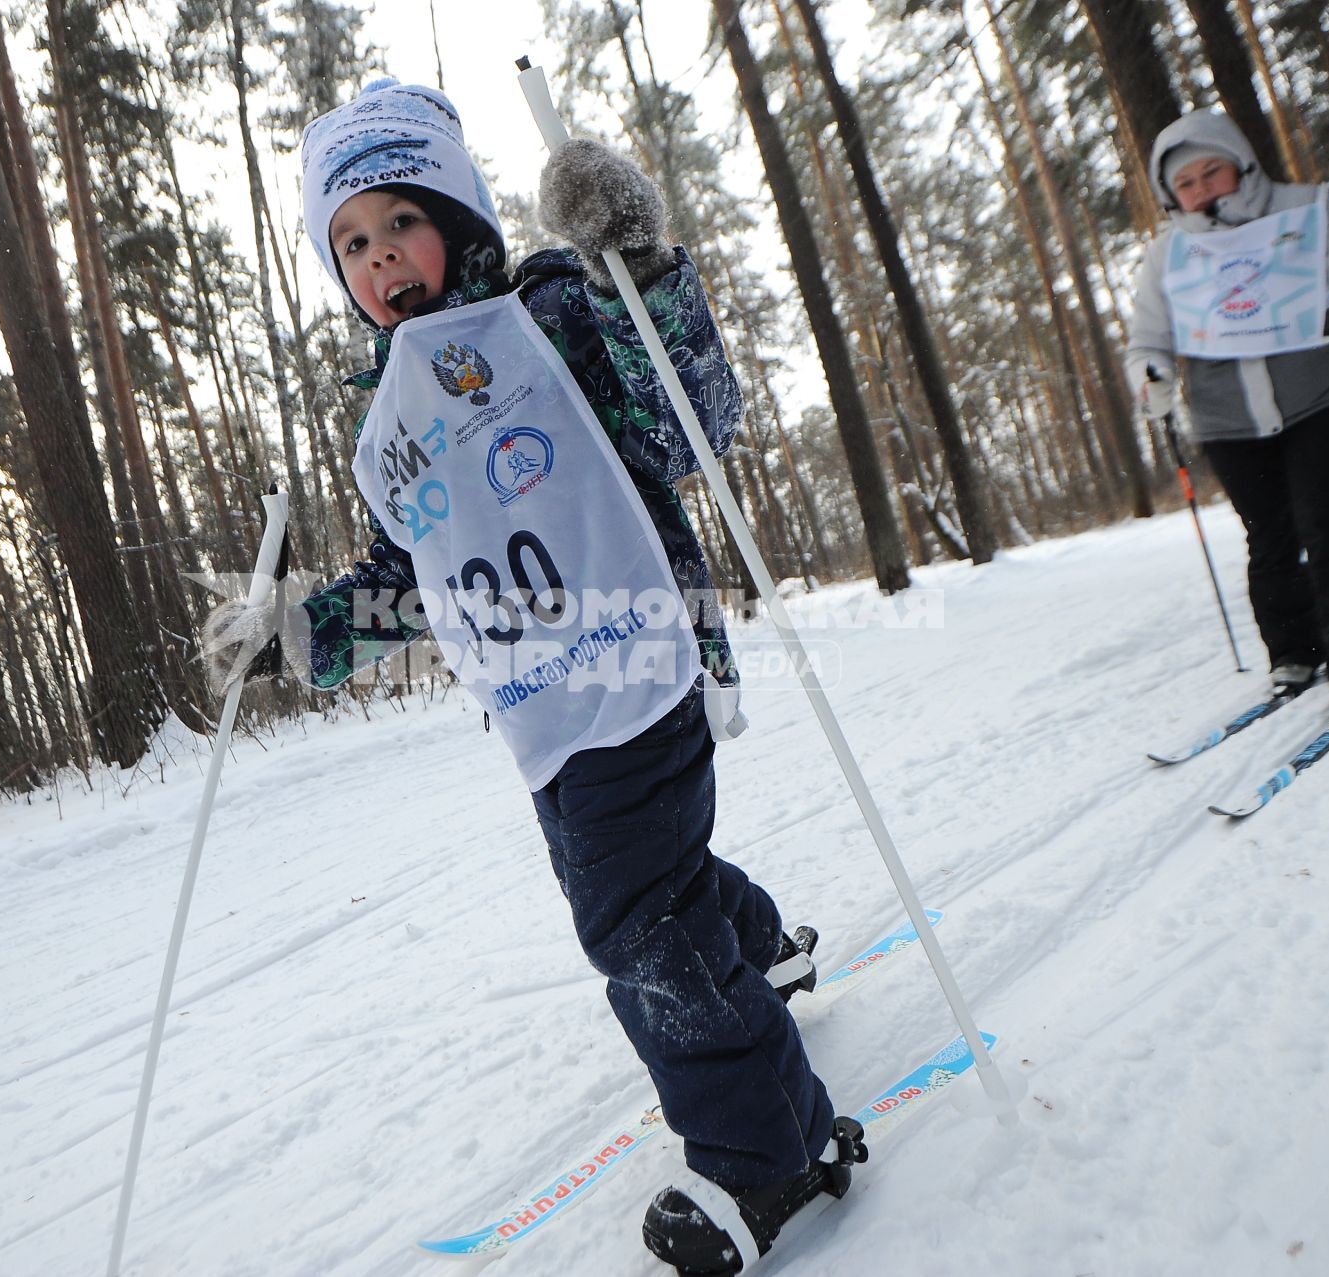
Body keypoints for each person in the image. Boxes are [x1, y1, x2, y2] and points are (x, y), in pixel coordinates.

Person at [199, 79, 864, 1273]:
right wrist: (299, 633)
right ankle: (758, 950)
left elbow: (692, 425)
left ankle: (770, 1152)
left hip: (640, 651)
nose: (378, 257)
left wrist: (638, 265)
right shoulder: (390, 419)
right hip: (543, 707)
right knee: (654, 873)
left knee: (633, 915)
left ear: (456, 217)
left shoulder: (553, 312)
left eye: (398, 221)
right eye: (349, 243)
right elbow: (416, 573)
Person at [1125, 109, 1329, 717]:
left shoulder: (1302, 210)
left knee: (1326, 523)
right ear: (1171, 194)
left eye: (1212, 172)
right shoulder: (1167, 253)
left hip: (1317, 395)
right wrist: (1149, 377)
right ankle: (1293, 652)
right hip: (1226, 415)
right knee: (1270, 537)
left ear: (1240, 164)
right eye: (1188, 183)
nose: (1203, 189)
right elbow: (1148, 336)